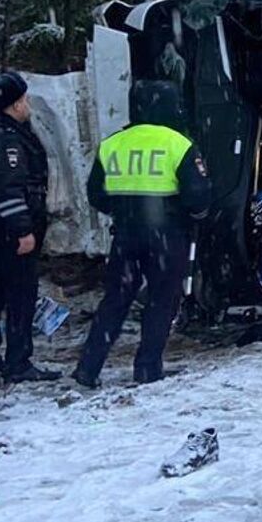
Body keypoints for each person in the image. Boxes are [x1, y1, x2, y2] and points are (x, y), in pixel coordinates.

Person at [73, 79, 212, 388]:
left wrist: (123, 212)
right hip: (167, 236)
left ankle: (88, 367)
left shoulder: (112, 144)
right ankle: (148, 367)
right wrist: (193, 217)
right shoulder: (179, 144)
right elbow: (198, 196)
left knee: (115, 300)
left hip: (125, 235)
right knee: (162, 299)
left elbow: (95, 193)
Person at [0, 71, 61, 384]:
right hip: (9, 231)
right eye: (23, 100)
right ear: (13, 104)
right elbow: (8, 188)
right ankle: (18, 362)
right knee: (20, 295)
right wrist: (22, 230)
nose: (28, 105)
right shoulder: (7, 141)